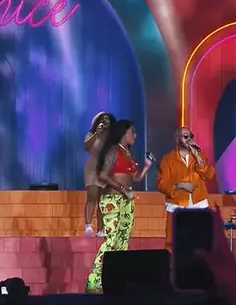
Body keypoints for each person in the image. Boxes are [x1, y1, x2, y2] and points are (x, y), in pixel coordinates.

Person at [85, 120, 152, 293]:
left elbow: (136, 178)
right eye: (132, 132)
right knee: (111, 240)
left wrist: (146, 166)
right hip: (112, 200)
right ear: (123, 134)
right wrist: (123, 189)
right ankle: (95, 279)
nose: (135, 136)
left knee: (123, 240)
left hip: (127, 201)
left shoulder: (128, 154)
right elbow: (103, 175)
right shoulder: (113, 151)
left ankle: (116, 279)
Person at [157, 127, 216, 252]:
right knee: (174, 243)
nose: (189, 139)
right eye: (185, 136)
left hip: (198, 204)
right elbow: (162, 184)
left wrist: (197, 155)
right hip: (177, 205)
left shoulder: (199, 156)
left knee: (200, 242)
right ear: (177, 139)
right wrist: (180, 185)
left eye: (191, 136)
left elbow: (210, 175)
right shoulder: (168, 159)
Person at [83, 112, 116, 238]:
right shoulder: (92, 134)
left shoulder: (113, 139)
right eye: (103, 119)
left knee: (103, 200)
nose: (105, 121)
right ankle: (88, 225)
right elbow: (86, 146)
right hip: (92, 168)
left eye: (107, 119)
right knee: (92, 196)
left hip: (106, 169)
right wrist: (97, 133)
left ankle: (101, 229)